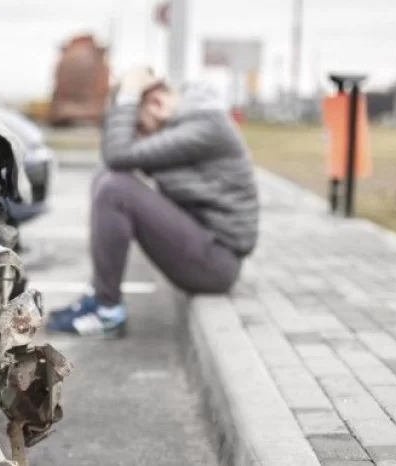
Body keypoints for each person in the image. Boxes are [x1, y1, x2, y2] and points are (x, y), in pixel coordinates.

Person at [45, 67, 259, 338]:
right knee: (109, 177)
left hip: (217, 263)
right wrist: (129, 102)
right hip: (205, 246)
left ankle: (107, 312)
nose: (139, 138)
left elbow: (119, 153)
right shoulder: (193, 121)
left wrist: (129, 95)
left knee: (115, 188)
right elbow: (116, 156)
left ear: (156, 104)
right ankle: (98, 295)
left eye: (140, 128)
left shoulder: (205, 126)